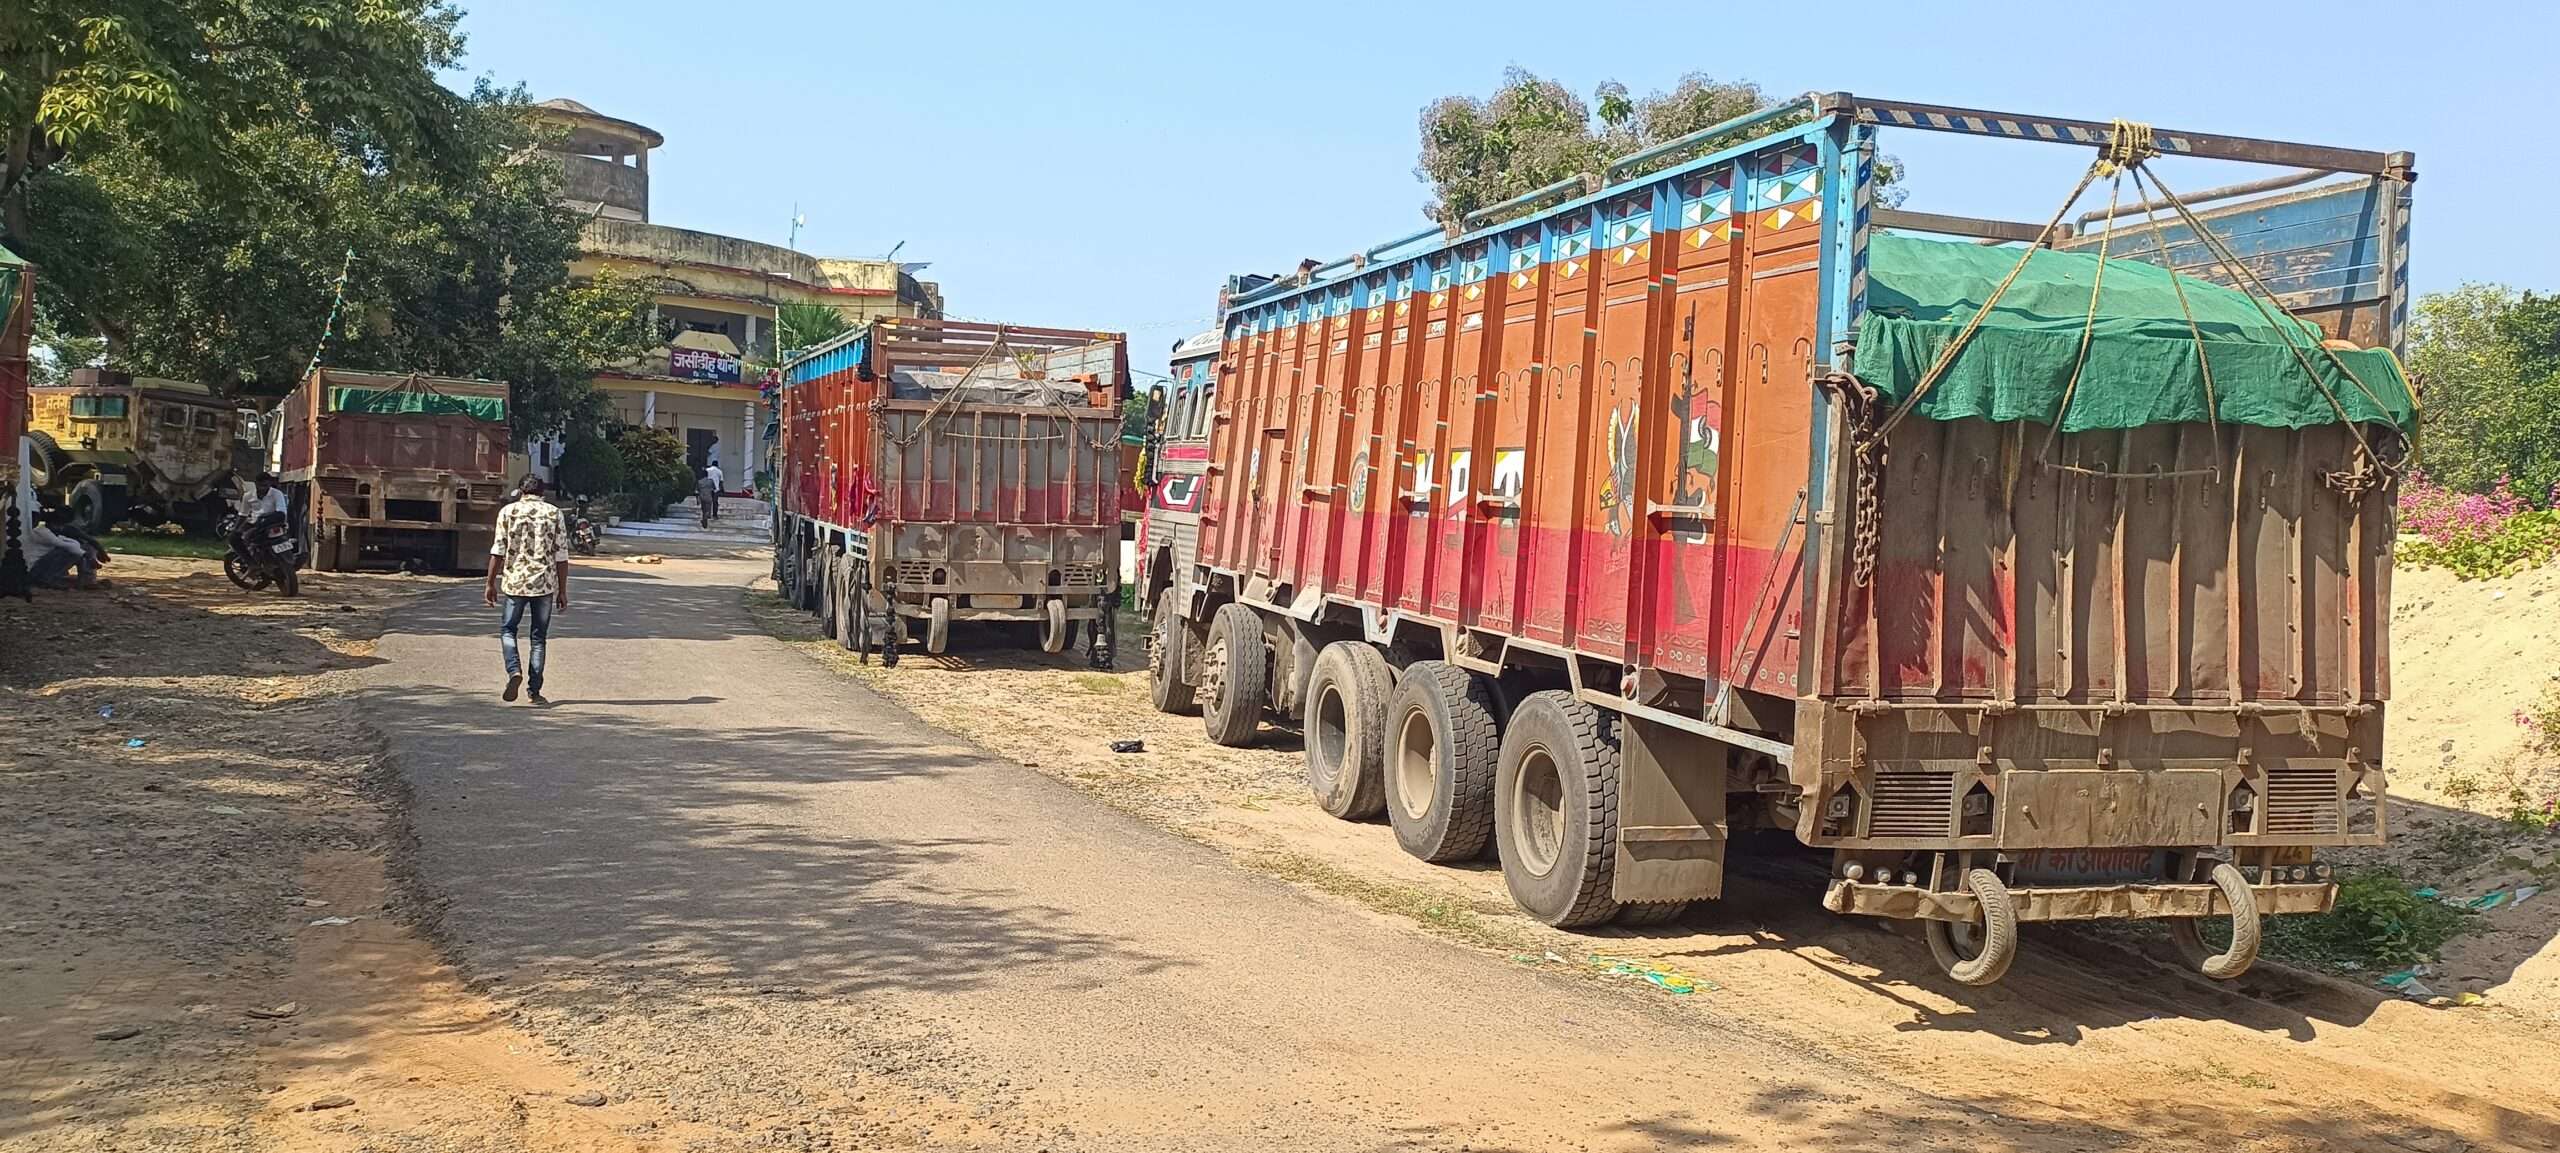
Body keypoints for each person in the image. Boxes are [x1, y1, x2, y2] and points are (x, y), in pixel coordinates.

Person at [485, 475, 570, 705]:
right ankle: (534, 691)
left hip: (515, 583)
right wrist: (562, 590)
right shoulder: (554, 513)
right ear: (542, 492)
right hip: (544, 584)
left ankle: (514, 670)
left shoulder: (508, 512)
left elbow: (498, 551)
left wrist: (490, 583)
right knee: (538, 638)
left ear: (521, 490)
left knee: (508, 630)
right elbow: (561, 556)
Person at [27, 508, 109, 590]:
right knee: (73, 552)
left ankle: (87, 580)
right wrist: (89, 557)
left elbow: (88, 541)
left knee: (84, 547)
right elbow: (65, 545)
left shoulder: (62, 530)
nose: (60, 528)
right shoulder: (42, 532)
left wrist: (100, 550)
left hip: (47, 567)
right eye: (58, 525)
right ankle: (47, 579)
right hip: (35, 569)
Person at [697, 461, 723, 527]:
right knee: (714, 502)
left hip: (706, 490)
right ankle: (714, 515)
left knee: (704, 505)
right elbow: (721, 481)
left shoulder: (707, 470)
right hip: (715, 489)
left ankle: (705, 515)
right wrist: (721, 489)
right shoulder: (719, 471)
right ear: (717, 465)